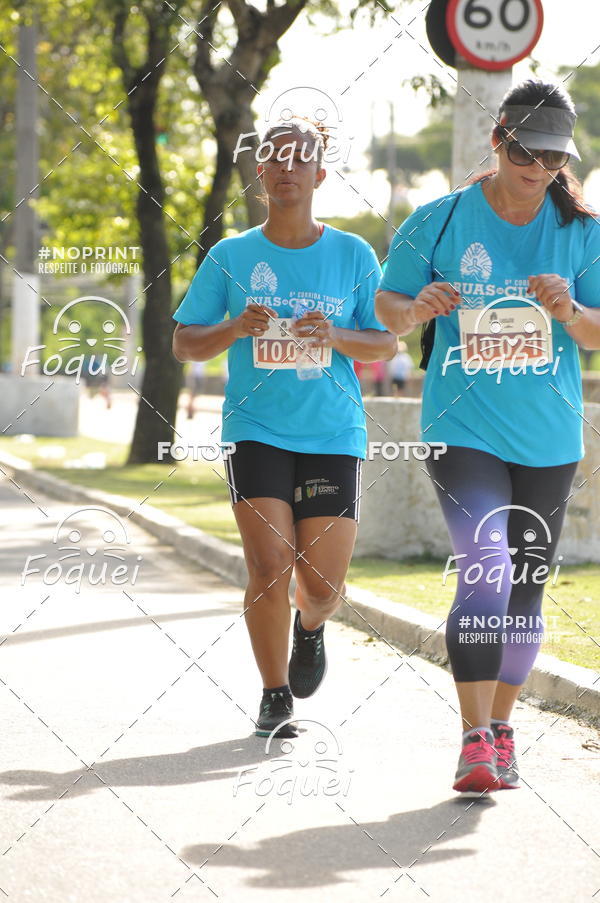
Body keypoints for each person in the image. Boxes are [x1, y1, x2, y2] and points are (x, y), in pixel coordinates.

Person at [376, 80, 600, 793]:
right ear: (499, 140)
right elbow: (386, 309)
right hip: (461, 427)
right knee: (486, 566)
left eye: (554, 157)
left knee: (525, 590)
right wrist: (417, 307)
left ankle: (502, 728)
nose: (539, 168)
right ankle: (474, 738)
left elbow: (598, 332)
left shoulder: (584, 232)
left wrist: (571, 312)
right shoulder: (438, 221)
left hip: (549, 437)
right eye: (527, 152)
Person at [172, 118, 396, 739]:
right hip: (256, 428)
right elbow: (185, 343)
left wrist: (337, 335)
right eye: (275, 158)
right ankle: (274, 695)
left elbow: (384, 342)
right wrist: (234, 328)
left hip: (332, 432)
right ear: (261, 172)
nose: (287, 168)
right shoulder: (231, 255)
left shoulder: (353, 254)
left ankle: (311, 624)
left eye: (300, 159)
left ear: (320, 175)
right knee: (269, 562)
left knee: (321, 585)